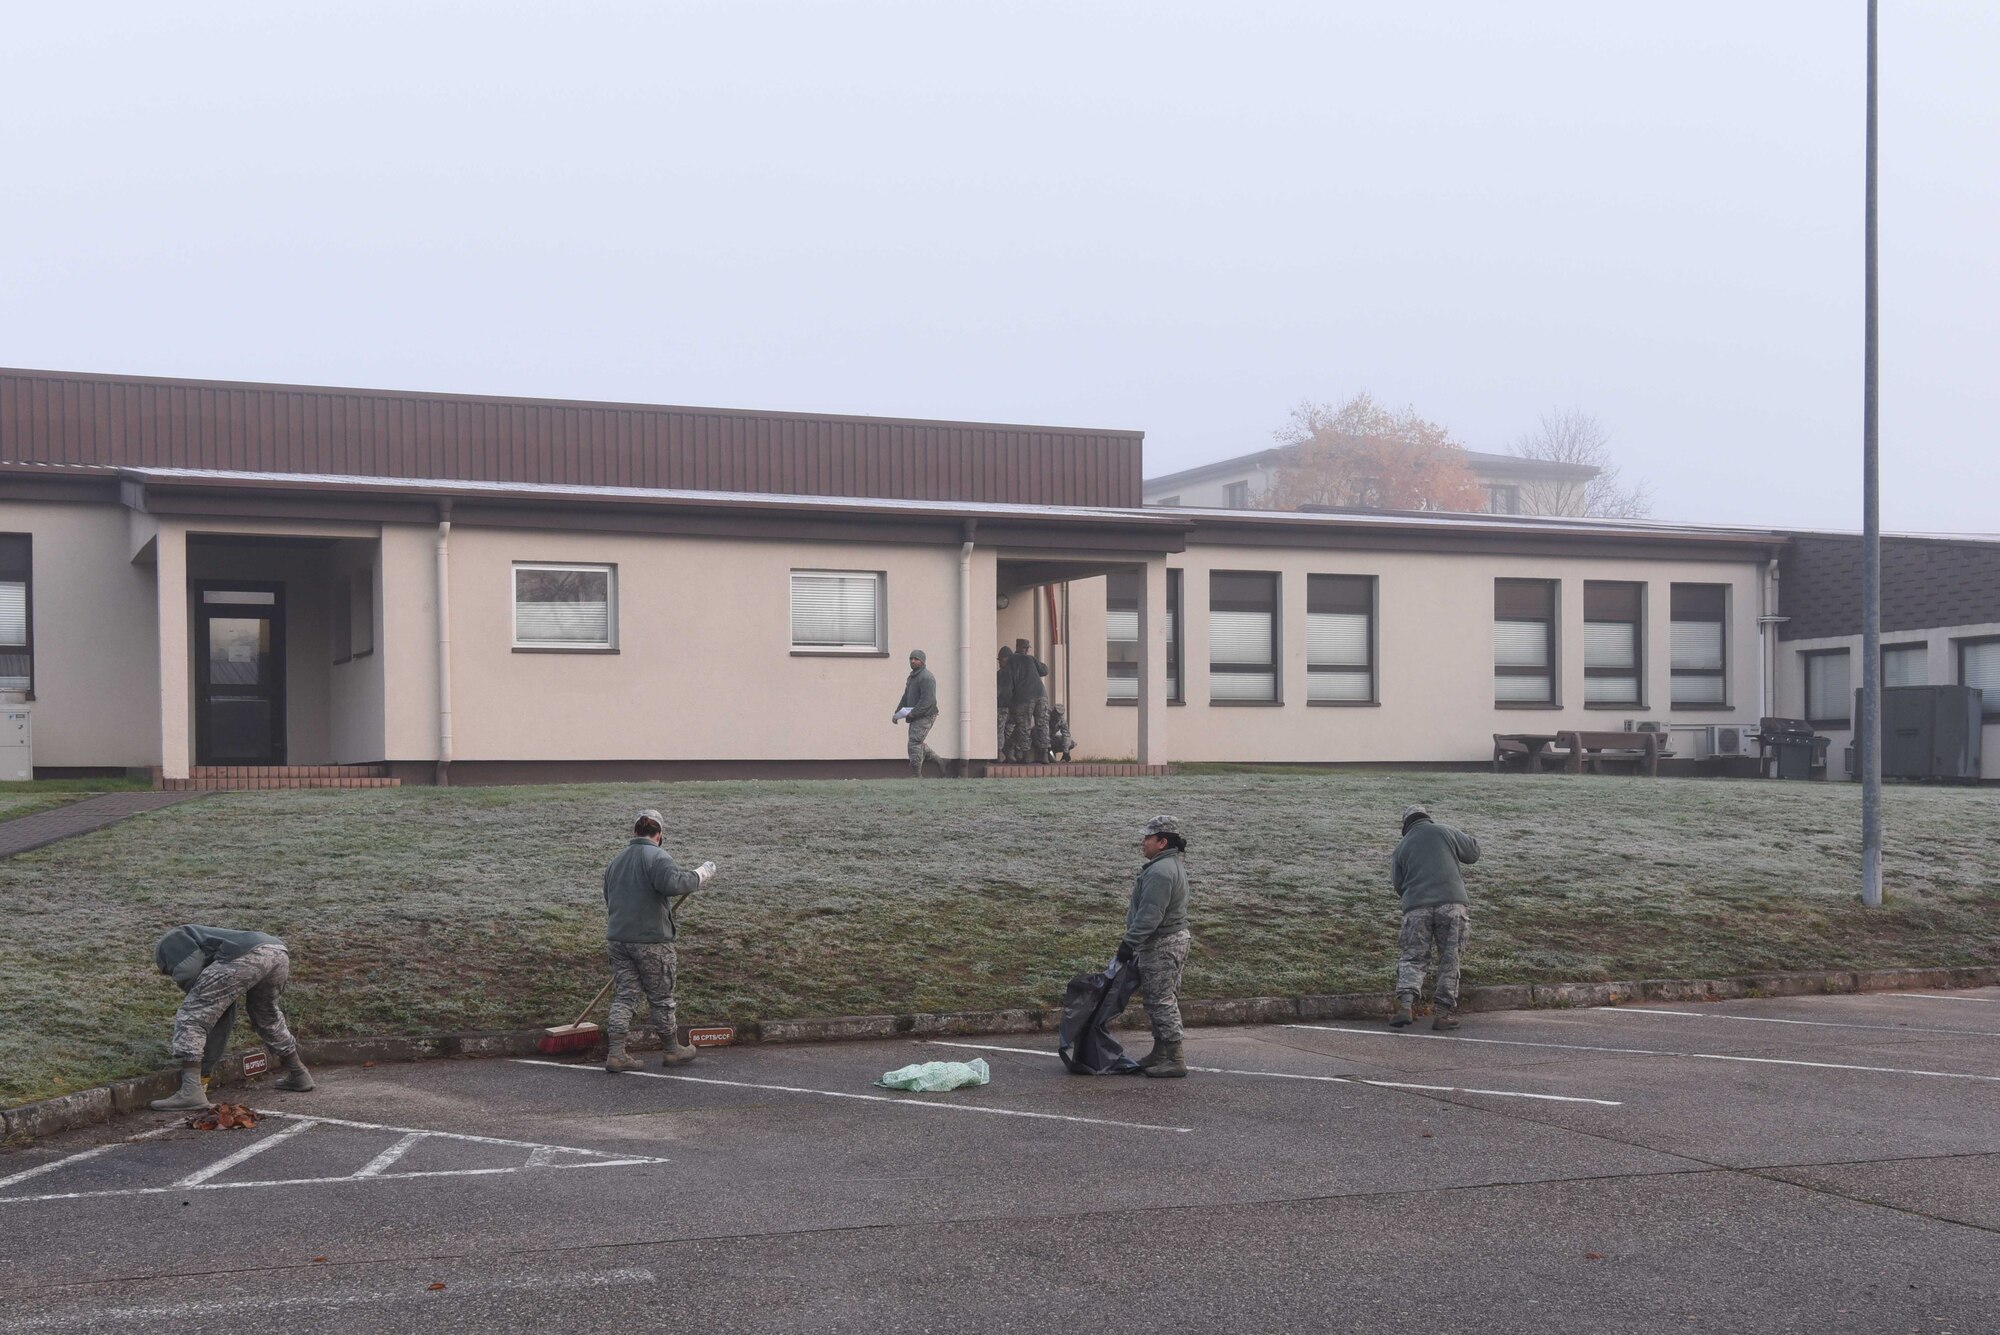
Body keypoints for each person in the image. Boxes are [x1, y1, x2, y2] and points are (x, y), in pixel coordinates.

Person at [148, 925, 313, 1112]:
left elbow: (189, 971)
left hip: (245, 956)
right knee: (267, 1016)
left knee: (191, 1017)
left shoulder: (169, 943)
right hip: (276, 951)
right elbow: (220, 1007)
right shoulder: (202, 939)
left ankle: (190, 1091)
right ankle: (299, 1073)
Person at [603, 808, 717, 1072]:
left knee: (625, 996)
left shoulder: (615, 861)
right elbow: (673, 884)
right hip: (652, 941)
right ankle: (671, 1050)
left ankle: (616, 1054)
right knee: (661, 998)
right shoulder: (657, 857)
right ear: (659, 834)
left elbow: (609, 898)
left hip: (618, 939)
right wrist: (701, 874)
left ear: (634, 832)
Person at [1388, 803, 1480, 1031]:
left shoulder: (1401, 846)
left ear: (1406, 825)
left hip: (1416, 908)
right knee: (1450, 959)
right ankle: (1442, 1014)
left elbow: (1398, 884)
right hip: (1452, 904)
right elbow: (1473, 853)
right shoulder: (1445, 831)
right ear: (1427, 818)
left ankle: (1406, 1007)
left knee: (1412, 957)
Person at [1116, 814, 1192, 1078]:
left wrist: (1129, 943)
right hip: (1171, 940)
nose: (1143, 842)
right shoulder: (1169, 865)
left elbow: (1150, 915)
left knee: (1161, 1001)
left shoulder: (1161, 871)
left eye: (1147, 837)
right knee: (1161, 999)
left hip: (1162, 944)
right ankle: (1160, 1053)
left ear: (1162, 842)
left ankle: (1174, 1058)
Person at [894, 648, 946, 777]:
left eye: (916, 659)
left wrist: (914, 713)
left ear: (922, 662)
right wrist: (897, 712)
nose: (913, 661)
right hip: (916, 715)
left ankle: (916, 775)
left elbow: (928, 700)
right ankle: (941, 761)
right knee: (917, 742)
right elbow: (906, 697)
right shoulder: (912, 677)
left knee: (914, 742)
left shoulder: (927, 677)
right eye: (911, 658)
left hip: (926, 715)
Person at [1006, 640, 1048, 763]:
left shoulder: (1011, 661)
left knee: (1024, 726)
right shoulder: (1030, 659)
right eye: (1024, 648)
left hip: (1024, 698)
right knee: (1042, 724)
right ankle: (1044, 754)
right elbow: (1045, 670)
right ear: (1018, 647)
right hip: (1041, 694)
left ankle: (1026, 756)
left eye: (1027, 648)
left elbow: (1009, 683)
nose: (1026, 650)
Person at [995, 646, 1018, 761]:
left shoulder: (1001, 674)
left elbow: (997, 691)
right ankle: (1010, 754)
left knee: (1000, 730)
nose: (999, 662)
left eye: (1000, 660)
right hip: (1014, 708)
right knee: (1010, 731)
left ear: (1006, 659)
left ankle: (999, 754)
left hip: (1002, 707)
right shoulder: (1016, 673)